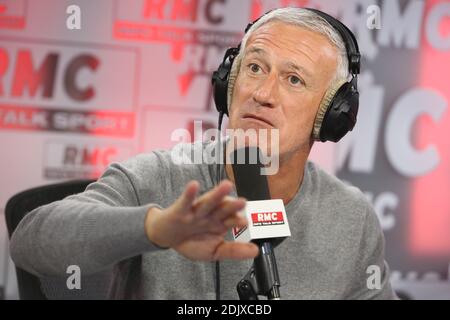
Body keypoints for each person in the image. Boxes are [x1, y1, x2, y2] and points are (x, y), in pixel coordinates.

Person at [10, 7, 396, 299]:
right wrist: (155, 229)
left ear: (332, 113)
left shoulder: (350, 217)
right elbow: (32, 240)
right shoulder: (156, 178)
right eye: (256, 68)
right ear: (228, 83)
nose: (262, 93)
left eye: (293, 79)